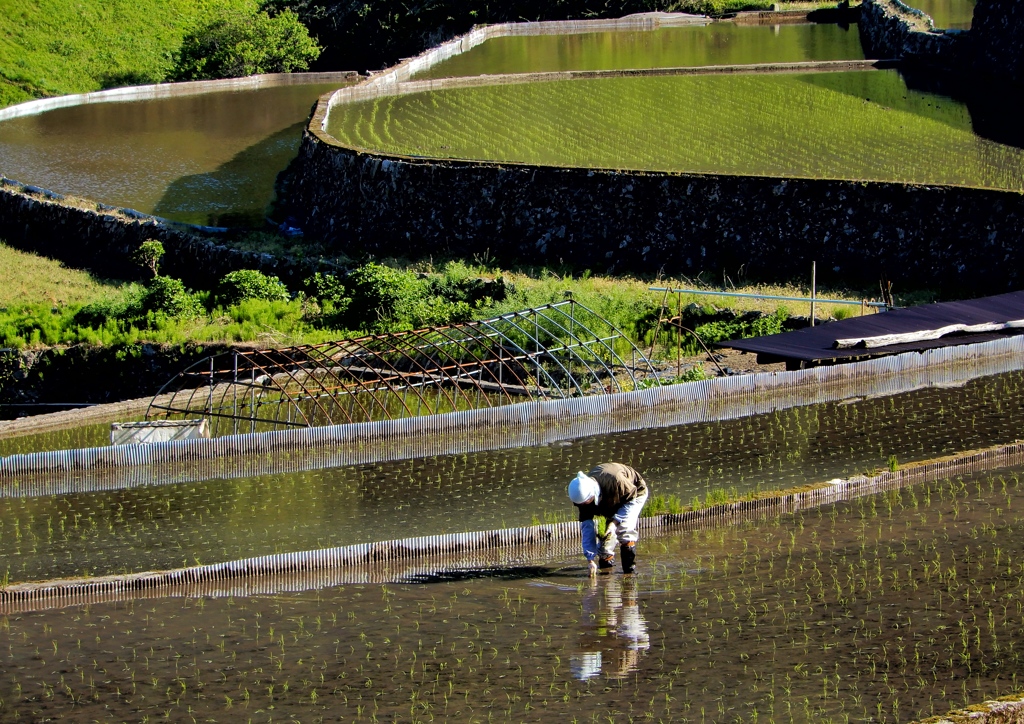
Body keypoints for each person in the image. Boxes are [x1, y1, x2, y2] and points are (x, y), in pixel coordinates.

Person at [567, 462, 649, 575]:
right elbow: (587, 529)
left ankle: (629, 573)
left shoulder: (616, 480)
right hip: (609, 500)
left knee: (624, 530)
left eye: (586, 503)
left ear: (592, 495)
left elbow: (631, 498)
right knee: (605, 542)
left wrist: (614, 523)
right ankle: (606, 569)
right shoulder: (583, 499)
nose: (583, 507)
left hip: (632, 495)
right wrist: (590, 560)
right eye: (581, 505)